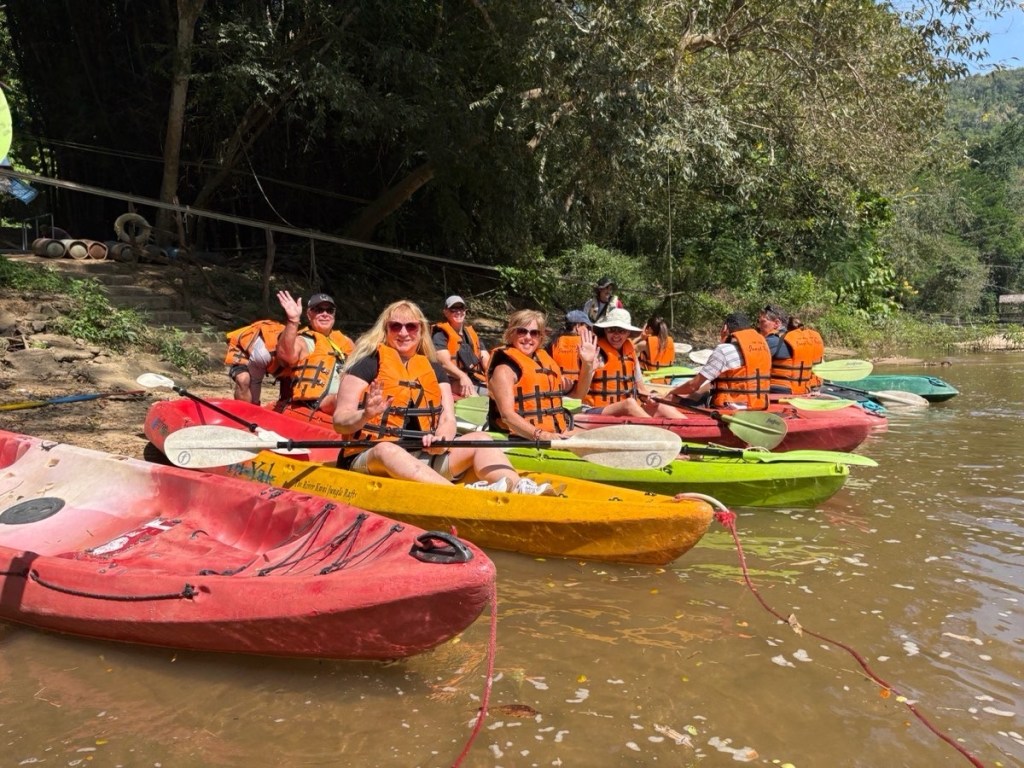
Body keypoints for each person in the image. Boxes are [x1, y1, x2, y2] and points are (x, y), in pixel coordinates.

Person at [332, 300, 553, 495]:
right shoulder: (367, 365)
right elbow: (340, 421)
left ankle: (517, 487)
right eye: (396, 326)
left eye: (411, 326)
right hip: (370, 456)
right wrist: (365, 414)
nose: (404, 332)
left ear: (420, 330)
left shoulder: (433, 369)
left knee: (481, 439)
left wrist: (441, 439)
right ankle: (456, 496)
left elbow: (448, 419)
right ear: (386, 329)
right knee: (387, 449)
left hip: (423, 457)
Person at [488, 309, 597, 440]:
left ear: (540, 338)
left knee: (598, 436)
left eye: (534, 333)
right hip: (520, 437)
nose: (528, 337)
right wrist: (542, 435)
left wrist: (587, 364)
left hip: (553, 433)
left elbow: (579, 394)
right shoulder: (504, 370)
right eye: (522, 331)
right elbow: (507, 416)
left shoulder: (545, 364)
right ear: (511, 334)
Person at [587, 308, 686, 418]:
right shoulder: (595, 352)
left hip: (626, 408)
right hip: (598, 409)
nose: (616, 335)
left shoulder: (630, 352)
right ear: (605, 330)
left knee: (661, 406)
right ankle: (655, 428)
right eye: (611, 330)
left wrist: (650, 397)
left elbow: (641, 390)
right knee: (629, 404)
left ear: (628, 332)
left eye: (621, 331)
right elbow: (581, 392)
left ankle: (691, 427)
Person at [273, 290, 355, 416]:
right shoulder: (302, 341)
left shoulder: (346, 341)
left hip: (345, 396)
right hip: (317, 401)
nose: (325, 314)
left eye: (329, 310)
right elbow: (286, 357)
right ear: (309, 314)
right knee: (345, 399)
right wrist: (293, 320)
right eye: (318, 310)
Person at [666, 311, 771, 409]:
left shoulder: (723, 350)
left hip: (729, 408)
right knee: (699, 395)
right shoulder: (764, 348)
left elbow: (693, 386)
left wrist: (671, 392)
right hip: (758, 405)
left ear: (725, 328)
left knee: (671, 398)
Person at [431, 295, 490, 399]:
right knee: (473, 394)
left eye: (461, 308)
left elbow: (486, 360)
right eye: (453, 309)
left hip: (474, 377)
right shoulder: (440, 335)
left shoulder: (471, 334)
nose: (458, 312)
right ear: (446, 312)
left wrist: (494, 378)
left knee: (501, 391)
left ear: (465, 311)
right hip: (451, 379)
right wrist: (462, 376)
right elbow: (444, 364)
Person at [223, 319, 284, 404]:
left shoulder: (295, 346)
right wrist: (255, 404)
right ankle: (244, 409)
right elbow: (256, 381)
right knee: (243, 379)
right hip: (245, 352)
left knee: (290, 379)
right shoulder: (262, 355)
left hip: (267, 353)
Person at [771, 313, 825, 394]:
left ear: (787, 327)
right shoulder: (811, 341)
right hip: (811, 387)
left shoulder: (782, 341)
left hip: (785, 388)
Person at [547, 309, 593, 383]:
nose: (589, 331)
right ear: (578, 326)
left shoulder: (554, 342)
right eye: (587, 327)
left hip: (558, 384)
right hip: (579, 386)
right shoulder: (586, 344)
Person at [758, 303, 793, 394]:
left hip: (777, 390)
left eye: (763, 322)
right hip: (799, 390)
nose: (759, 326)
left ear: (776, 323)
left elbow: (748, 360)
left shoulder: (772, 340)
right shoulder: (792, 338)